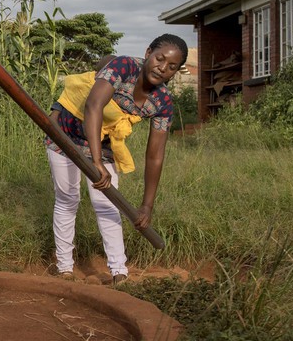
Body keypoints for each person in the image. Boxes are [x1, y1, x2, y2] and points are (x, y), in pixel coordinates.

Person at [45, 33, 188, 284]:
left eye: (172, 67)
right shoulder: (124, 67)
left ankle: (118, 271)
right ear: (148, 54)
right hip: (65, 135)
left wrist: (147, 205)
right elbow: (93, 106)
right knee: (68, 199)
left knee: (108, 203)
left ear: (175, 72)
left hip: (104, 143)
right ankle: (64, 267)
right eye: (159, 58)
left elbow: (155, 155)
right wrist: (96, 163)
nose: (163, 68)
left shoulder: (163, 102)